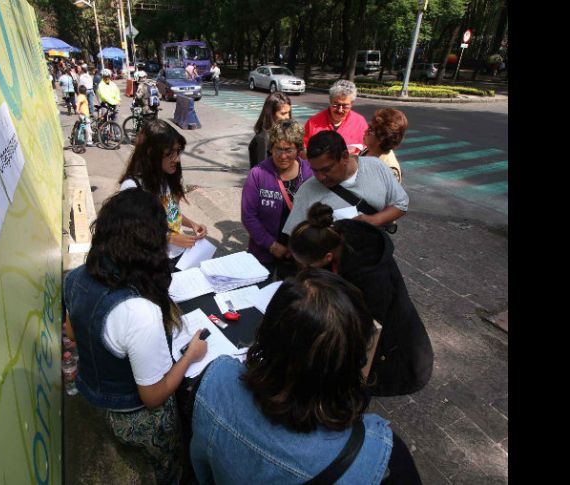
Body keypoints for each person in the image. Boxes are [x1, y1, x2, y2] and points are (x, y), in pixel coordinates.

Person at [190, 268, 423, 484]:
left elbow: (201, 469)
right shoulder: (382, 461)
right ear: (355, 359)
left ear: (266, 333)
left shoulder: (216, 380)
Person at [63, 188, 209, 485]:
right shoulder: (139, 311)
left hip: (92, 395)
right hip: (131, 416)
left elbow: (72, 332)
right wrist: (191, 355)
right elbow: (153, 396)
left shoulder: (76, 277)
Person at [288, 203, 434, 397]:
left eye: (307, 265)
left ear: (327, 257)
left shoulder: (370, 278)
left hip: (396, 355)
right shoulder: (335, 236)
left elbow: (368, 332)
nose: (304, 269)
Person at [118, 119, 208, 270]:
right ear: (151, 153)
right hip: (155, 262)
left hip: (180, 256)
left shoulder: (167, 177)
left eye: (178, 151)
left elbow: (171, 211)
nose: (177, 159)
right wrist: (170, 237)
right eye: (170, 154)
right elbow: (132, 232)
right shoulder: (133, 186)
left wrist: (192, 224)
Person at [282, 130, 408, 235]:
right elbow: (295, 236)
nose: (320, 177)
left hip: (376, 258)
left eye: (326, 169)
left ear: (345, 157)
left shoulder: (376, 167)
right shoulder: (307, 190)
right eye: (315, 170)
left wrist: (375, 220)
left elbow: (401, 203)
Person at [241, 120, 313, 278]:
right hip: (262, 253)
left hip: (299, 258)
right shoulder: (257, 174)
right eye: (278, 149)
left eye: (289, 149)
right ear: (271, 148)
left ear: (298, 149)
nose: (283, 156)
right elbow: (248, 216)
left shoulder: (310, 174)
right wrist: (272, 245)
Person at [303, 79, 368, 154]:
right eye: (336, 105)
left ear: (351, 104)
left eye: (345, 106)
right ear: (330, 101)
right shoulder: (313, 122)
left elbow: (367, 149)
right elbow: (304, 149)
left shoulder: (360, 122)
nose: (340, 110)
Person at [360, 108, 408, 184]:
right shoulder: (368, 151)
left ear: (381, 138)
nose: (365, 131)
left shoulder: (389, 169)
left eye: (370, 130)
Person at [248, 92, 292, 168]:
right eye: (283, 113)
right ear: (271, 114)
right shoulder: (263, 139)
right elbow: (262, 171)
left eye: (289, 112)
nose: (287, 117)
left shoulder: (283, 131)